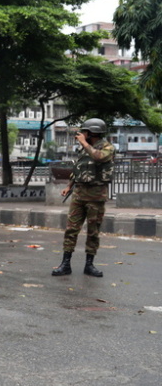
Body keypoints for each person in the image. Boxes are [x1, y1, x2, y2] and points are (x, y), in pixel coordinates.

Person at [52, 118, 115, 277]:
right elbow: (78, 168)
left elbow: (99, 157)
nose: (82, 134)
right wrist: (69, 186)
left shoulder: (107, 147)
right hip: (79, 195)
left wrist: (85, 144)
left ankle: (89, 265)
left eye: (85, 131)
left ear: (92, 132)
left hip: (96, 196)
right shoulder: (83, 149)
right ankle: (65, 264)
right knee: (71, 230)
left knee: (93, 232)